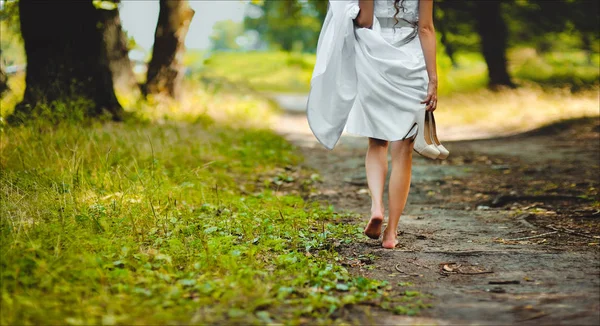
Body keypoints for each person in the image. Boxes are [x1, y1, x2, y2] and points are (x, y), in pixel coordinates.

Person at [307, 0, 449, 249]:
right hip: (412, 64)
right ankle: (392, 233)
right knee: (403, 151)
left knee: (377, 141)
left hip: (375, 60)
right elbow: (426, 29)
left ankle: (376, 206)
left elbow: (365, 21)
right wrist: (433, 79)